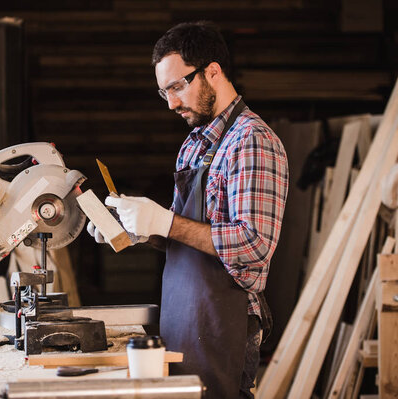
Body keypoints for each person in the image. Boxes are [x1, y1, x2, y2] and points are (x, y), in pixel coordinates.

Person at [87, 21, 288, 398]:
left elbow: (254, 244)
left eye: (179, 86)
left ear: (213, 71)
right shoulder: (194, 144)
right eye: (164, 92)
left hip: (222, 323)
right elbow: (188, 236)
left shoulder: (252, 140)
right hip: (182, 317)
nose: (172, 103)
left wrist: (165, 221)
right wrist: (141, 231)